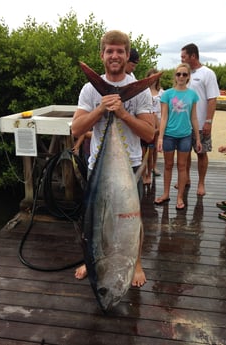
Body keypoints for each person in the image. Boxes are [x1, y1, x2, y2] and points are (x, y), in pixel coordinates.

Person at [71, 30, 155, 287]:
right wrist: (100, 107)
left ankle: (136, 262)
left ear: (127, 54)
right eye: (110, 51)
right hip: (97, 166)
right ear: (102, 55)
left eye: (120, 51)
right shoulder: (89, 89)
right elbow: (76, 129)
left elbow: (150, 133)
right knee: (95, 220)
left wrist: (122, 113)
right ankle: (93, 258)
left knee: (132, 218)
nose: (115, 55)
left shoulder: (139, 92)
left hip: (128, 165)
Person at [154, 63, 202, 210]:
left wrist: (198, 138)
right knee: (168, 166)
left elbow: (194, 117)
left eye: (184, 74)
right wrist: (160, 138)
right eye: (178, 74)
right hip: (168, 135)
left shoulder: (192, 95)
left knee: (182, 167)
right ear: (175, 76)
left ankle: (180, 197)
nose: (181, 77)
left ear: (188, 77)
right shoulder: (167, 94)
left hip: (185, 136)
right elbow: (163, 117)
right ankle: (166, 193)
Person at [177, 43, 220, 196]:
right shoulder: (184, 74)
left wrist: (208, 121)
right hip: (184, 124)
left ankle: (201, 183)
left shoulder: (207, 73)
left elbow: (212, 99)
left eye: (184, 56)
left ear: (193, 56)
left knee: (201, 153)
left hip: (201, 123)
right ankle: (186, 178)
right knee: (184, 153)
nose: (181, 59)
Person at [147, 68, 164, 177]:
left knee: (155, 147)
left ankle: (154, 166)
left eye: (155, 78)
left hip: (159, 120)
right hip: (148, 120)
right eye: (151, 77)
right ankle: (146, 168)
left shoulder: (162, 92)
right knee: (148, 147)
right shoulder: (144, 91)